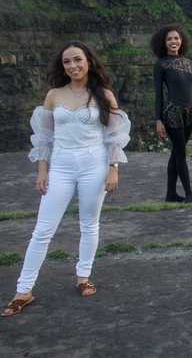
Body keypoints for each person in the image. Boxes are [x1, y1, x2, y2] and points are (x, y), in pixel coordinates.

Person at [2, 41, 131, 317]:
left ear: (89, 62)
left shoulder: (104, 95)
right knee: (42, 229)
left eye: (77, 60)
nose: (72, 66)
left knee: (89, 224)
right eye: (66, 62)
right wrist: (41, 170)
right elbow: (45, 138)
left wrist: (113, 168)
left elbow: (114, 136)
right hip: (60, 165)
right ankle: (23, 291)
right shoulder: (53, 95)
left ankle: (83, 277)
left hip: (94, 165)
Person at [151, 23, 192, 203]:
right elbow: (159, 94)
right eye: (169, 39)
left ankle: (171, 194)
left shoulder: (188, 62)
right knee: (181, 153)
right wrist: (158, 120)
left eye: (176, 38)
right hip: (172, 112)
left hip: (190, 111)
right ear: (164, 43)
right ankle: (189, 194)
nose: (173, 42)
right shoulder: (161, 65)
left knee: (176, 152)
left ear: (181, 40)